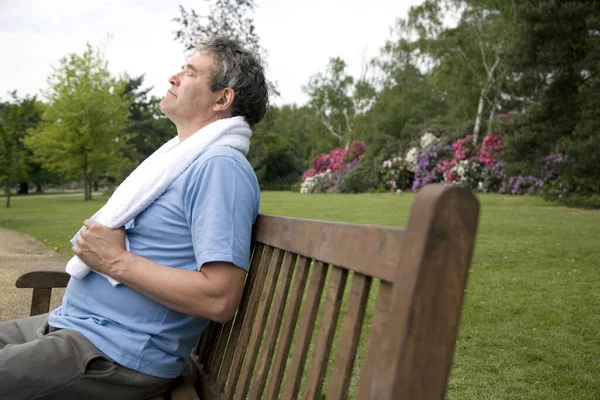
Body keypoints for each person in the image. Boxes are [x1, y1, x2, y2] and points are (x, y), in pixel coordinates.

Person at [0, 36, 268, 400]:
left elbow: (219, 298)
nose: (174, 77)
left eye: (190, 73)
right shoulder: (180, 160)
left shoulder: (220, 167)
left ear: (223, 99)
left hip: (113, 353)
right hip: (73, 326)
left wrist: (114, 260)